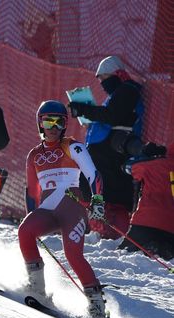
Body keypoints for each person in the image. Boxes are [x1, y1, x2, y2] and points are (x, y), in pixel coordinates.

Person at [18, 100, 111, 318]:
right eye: (47, 121)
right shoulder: (33, 155)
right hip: (48, 211)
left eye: (58, 122)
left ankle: (97, 305)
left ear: (64, 125)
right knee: (25, 231)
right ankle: (37, 288)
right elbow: (32, 192)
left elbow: (93, 175)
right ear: (40, 124)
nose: (53, 126)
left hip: (72, 210)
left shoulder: (73, 146)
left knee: (72, 254)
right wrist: (32, 216)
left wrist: (97, 200)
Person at [67, 56, 145, 239]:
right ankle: (97, 227)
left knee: (106, 192)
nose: (102, 83)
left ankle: (106, 229)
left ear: (116, 74)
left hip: (113, 154)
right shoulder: (117, 94)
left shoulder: (128, 90)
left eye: (104, 78)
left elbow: (113, 116)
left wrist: (85, 110)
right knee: (96, 190)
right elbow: (109, 116)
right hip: (105, 153)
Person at [118, 143, 174, 260]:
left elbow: (127, 167)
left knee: (123, 254)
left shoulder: (151, 164)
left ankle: (149, 246)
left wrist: (145, 156)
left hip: (144, 220)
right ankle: (161, 247)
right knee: (167, 252)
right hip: (170, 226)